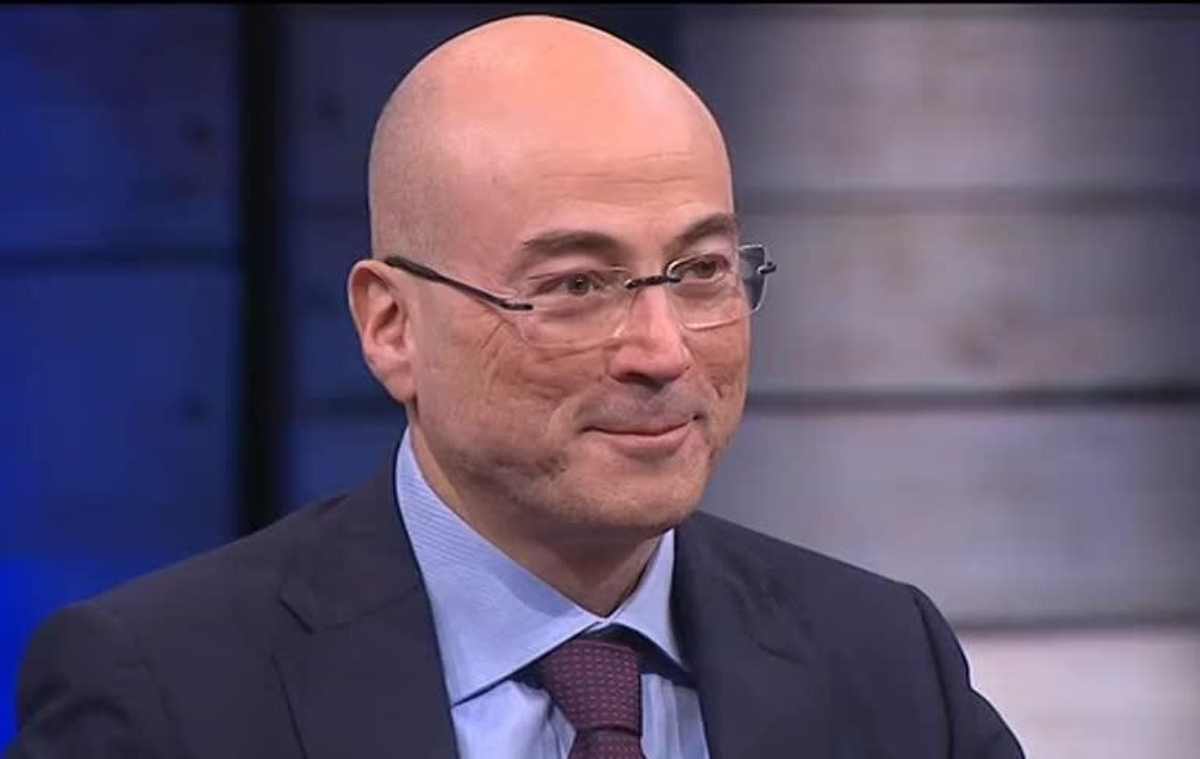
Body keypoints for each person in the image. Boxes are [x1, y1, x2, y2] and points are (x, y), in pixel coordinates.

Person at [8, 14, 1024, 759]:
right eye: (578, 285)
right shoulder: (161, 694)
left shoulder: (887, 660)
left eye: (701, 271)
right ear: (391, 326)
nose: (663, 351)